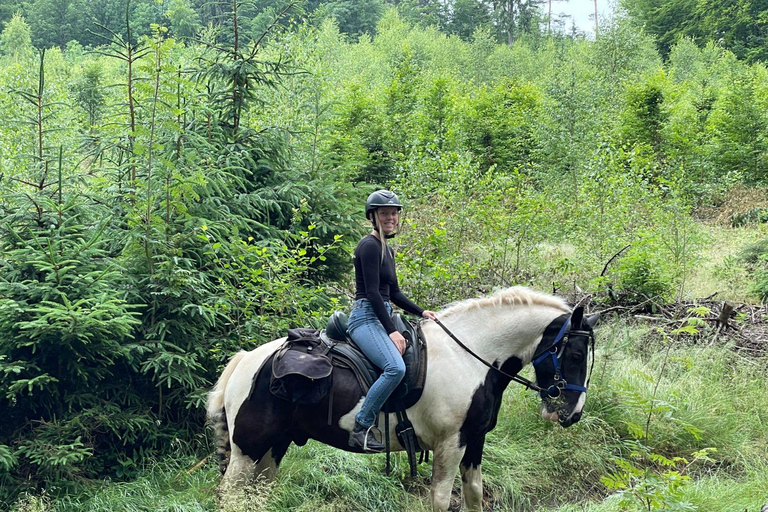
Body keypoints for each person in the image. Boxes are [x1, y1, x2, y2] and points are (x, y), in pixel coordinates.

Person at [347, 190, 437, 452]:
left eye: (394, 213)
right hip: (366, 317)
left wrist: (422, 312)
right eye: (384, 213)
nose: (391, 217)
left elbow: (393, 293)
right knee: (394, 368)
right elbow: (373, 293)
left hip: (382, 313)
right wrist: (392, 332)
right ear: (373, 217)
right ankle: (361, 427)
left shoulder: (388, 250)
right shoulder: (369, 246)